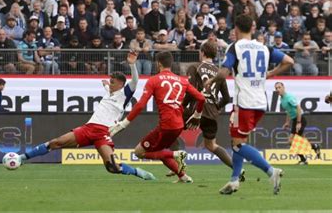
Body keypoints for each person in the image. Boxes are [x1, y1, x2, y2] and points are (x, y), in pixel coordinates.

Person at [18, 53, 157, 180]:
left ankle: (138, 172)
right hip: (88, 128)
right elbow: (107, 86)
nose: (110, 84)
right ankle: (22, 158)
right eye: (110, 82)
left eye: (113, 82)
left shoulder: (124, 94)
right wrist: (107, 84)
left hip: (103, 133)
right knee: (56, 142)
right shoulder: (109, 92)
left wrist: (132, 64)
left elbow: (135, 81)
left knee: (113, 167)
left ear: (121, 84)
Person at [208, 14, 294, 195]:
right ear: (252, 28)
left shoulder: (235, 47)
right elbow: (289, 61)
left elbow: (223, 73)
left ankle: (271, 172)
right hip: (261, 103)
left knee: (237, 145)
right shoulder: (264, 47)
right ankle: (233, 181)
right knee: (238, 141)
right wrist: (270, 73)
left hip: (244, 103)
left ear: (236, 29)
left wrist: (211, 82)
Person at [109, 51, 206, 183]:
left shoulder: (153, 80)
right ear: (170, 64)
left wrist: (123, 123)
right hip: (178, 126)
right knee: (158, 151)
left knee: (139, 152)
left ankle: (176, 154)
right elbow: (201, 98)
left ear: (158, 63)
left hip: (166, 125)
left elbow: (140, 105)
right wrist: (197, 115)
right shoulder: (183, 81)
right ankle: (183, 176)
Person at [182, 41, 246, 180]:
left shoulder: (194, 67)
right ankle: (237, 169)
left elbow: (190, 91)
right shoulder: (219, 72)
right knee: (211, 145)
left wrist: (182, 105)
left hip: (196, 109)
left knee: (171, 128)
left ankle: (178, 169)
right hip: (211, 113)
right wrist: (215, 107)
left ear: (203, 52)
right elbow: (227, 98)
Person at [274, 82, 321, 164]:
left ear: (283, 87)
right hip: (295, 120)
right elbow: (288, 111)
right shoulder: (282, 99)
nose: (278, 89)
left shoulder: (289, 97)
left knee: (291, 141)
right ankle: (314, 147)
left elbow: (298, 108)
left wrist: (299, 122)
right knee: (301, 140)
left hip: (300, 119)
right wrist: (287, 122)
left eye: (279, 87)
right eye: (276, 88)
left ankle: (304, 159)